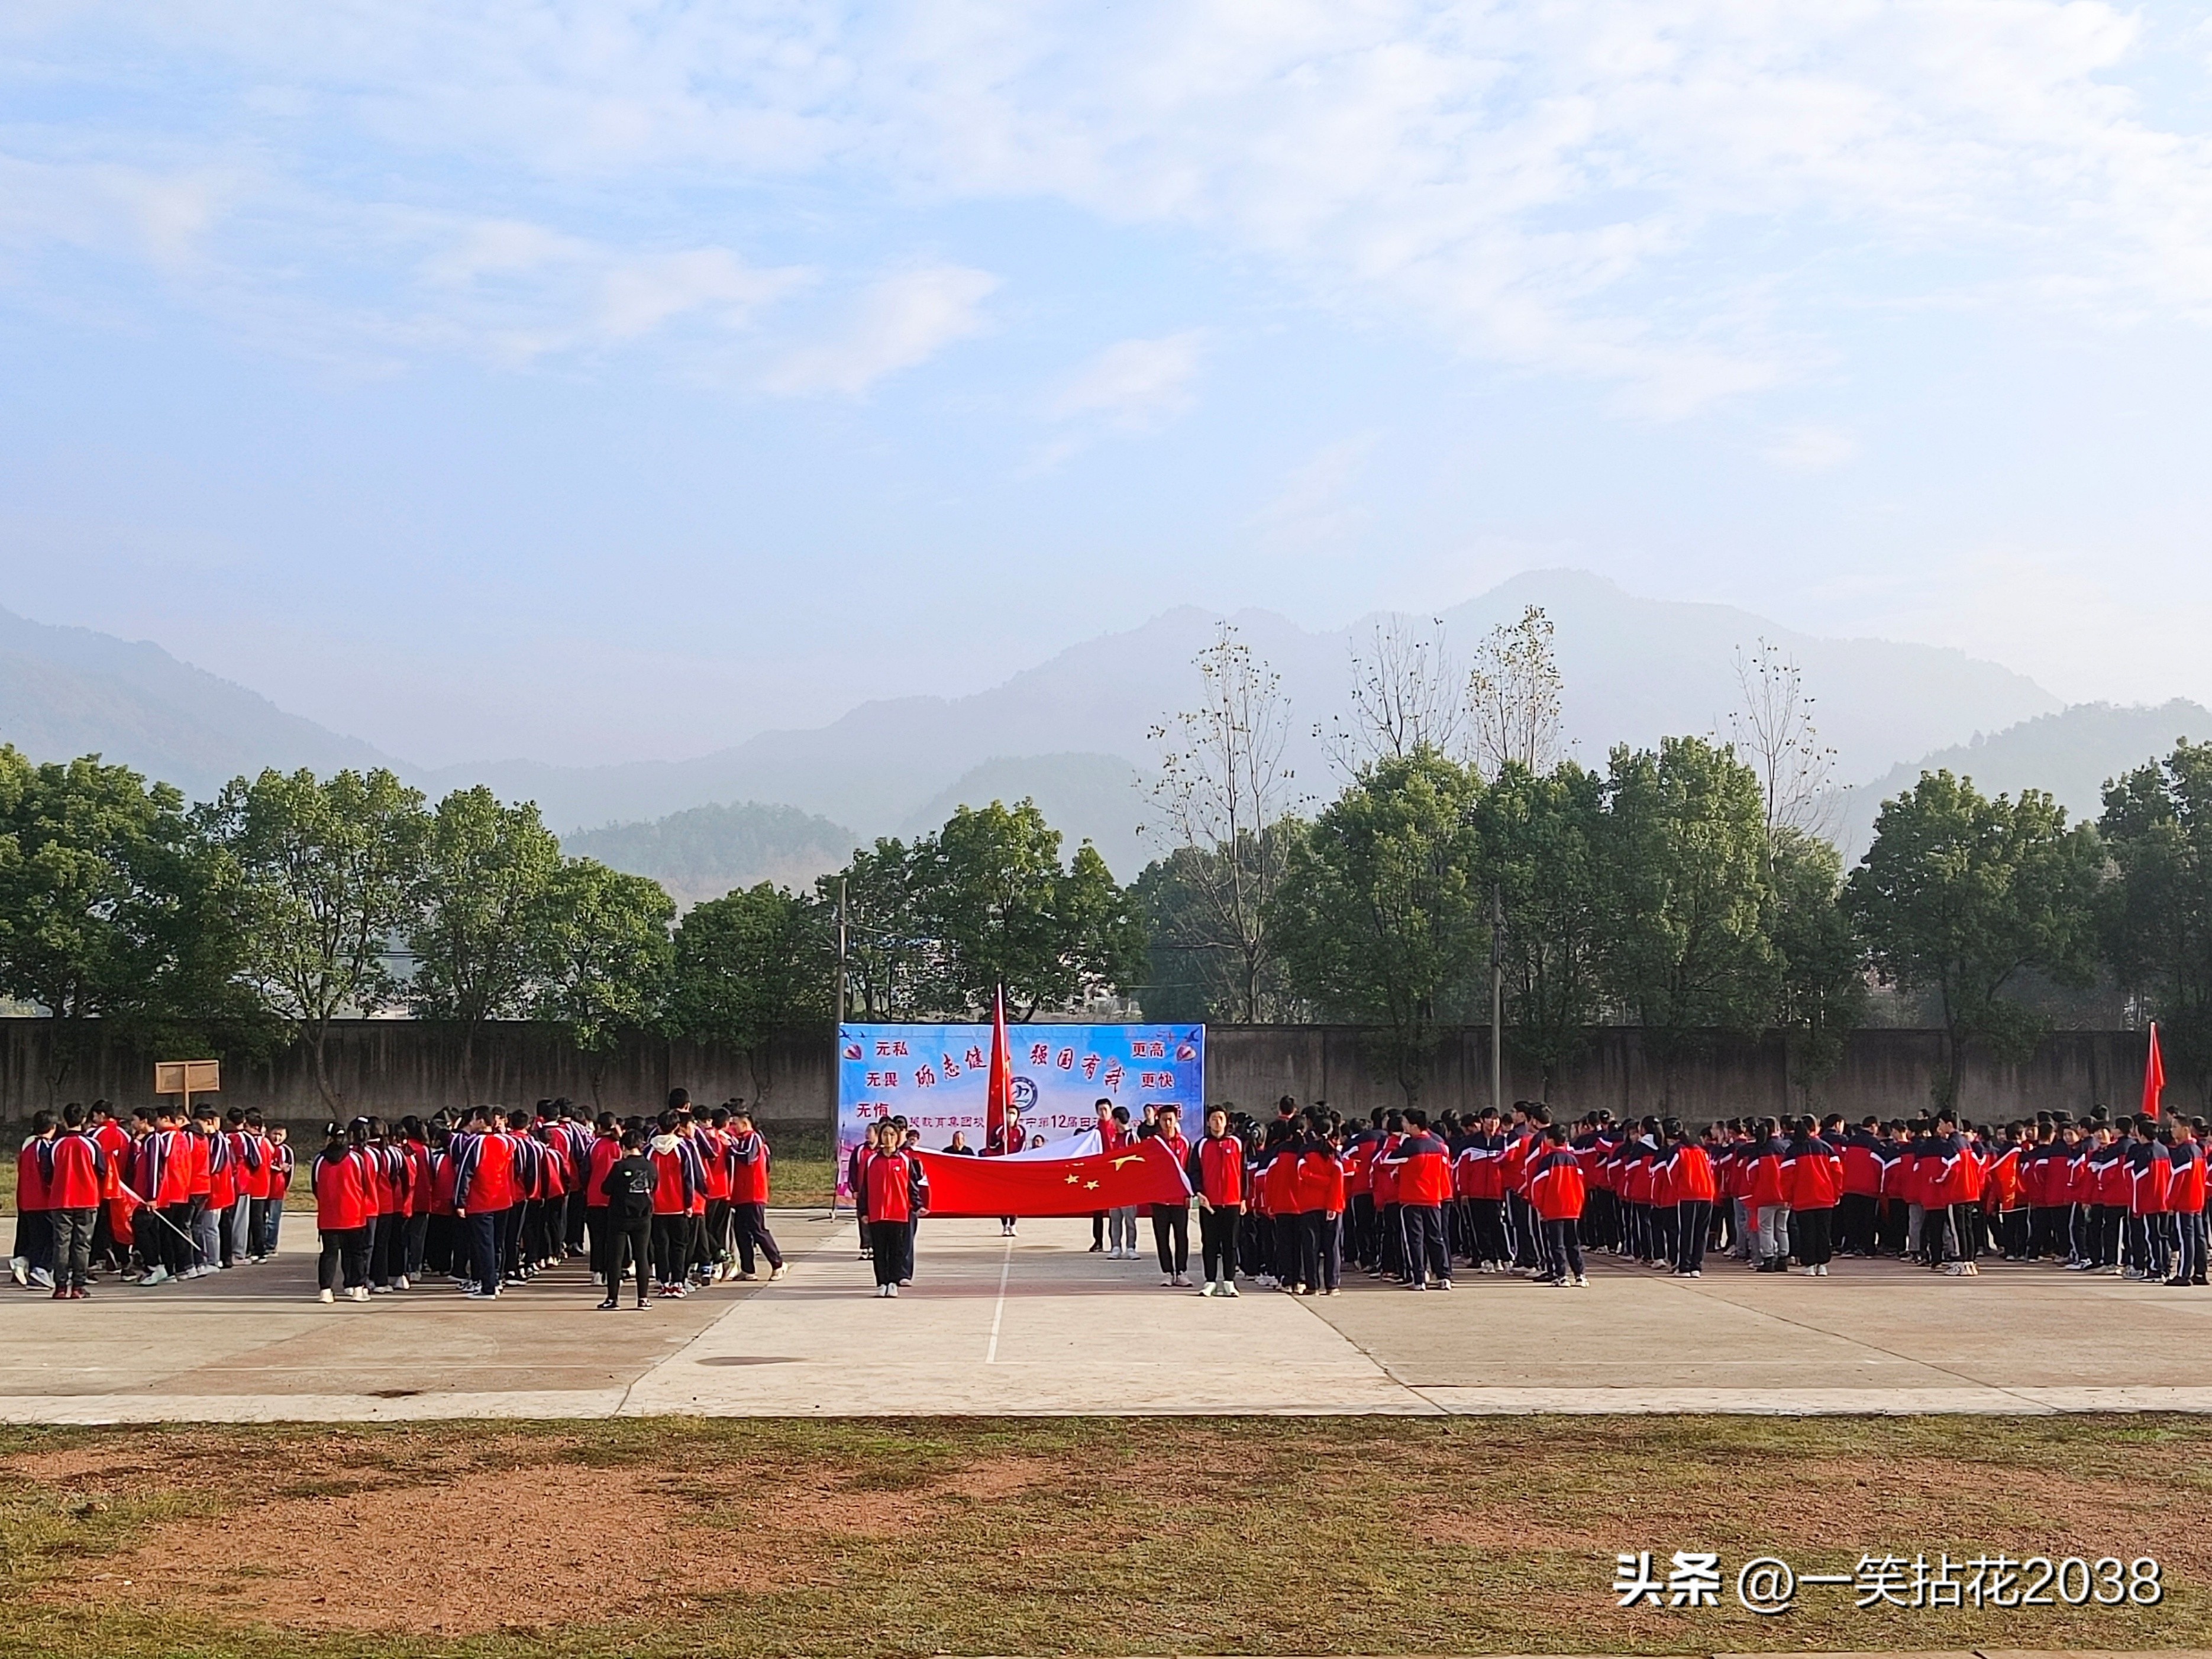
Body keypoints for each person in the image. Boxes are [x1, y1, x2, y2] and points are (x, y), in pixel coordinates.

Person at [41, 1104, 105, 1300]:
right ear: (84, 1119)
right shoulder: (92, 1144)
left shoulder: (55, 1145)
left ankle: (60, 1286)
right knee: (82, 1244)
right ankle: (79, 1285)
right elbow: (102, 1170)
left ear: (64, 1120)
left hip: (61, 1199)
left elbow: (47, 1173)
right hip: (87, 1199)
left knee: (61, 1243)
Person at [312, 1124, 373, 1304]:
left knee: (329, 1253)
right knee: (355, 1253)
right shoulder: (356, 1159)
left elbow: (316, 1187)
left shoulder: (319, 1160)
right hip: (353, 1213)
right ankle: (357, 1288)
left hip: (328, 1215)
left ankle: (326, 1290)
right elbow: (365, 1184)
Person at [1188, 1107, 1245, 1297]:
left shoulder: (1237, 1143)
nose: (1217, 1122)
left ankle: (1229, 1281)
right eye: (1214, 1119)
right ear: (1208, 1122)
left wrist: (1244, 1198)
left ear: (1226, 1121)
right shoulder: (1201, 1145)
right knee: (1210, 1243)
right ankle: (1210, 1281)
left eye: (1221, 1118)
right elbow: (1194, 1172)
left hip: (1232, 1202)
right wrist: (1199, 1193)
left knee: (1231, 1244)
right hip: (1209, 1203)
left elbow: (1244, 1173)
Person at [599, 1129, 657, 1310]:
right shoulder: (651, 1166)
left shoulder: (620, 1166)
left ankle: (613, 1299)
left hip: (620, 1216)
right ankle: (643, 1298)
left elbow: (606, 1189)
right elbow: (655, 1185)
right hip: (643, 1216)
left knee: (615, 1258)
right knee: (642, 1257)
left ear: (623, 1146)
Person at [726, 1109, 786, 1282]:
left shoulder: (753, 1138)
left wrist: (731, 1150)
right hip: (741, 1194)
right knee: (741, 1231)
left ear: (744, 1124)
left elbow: (748, 1158)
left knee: (758, 1230)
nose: (733, 1127)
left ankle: (778, 1263)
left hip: (753, 1193)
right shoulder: (740, 1139)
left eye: (735, 1123)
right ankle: (748, 1269)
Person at [860, 1122, 918, 1296]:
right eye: (885, 1134)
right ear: (880, 1137)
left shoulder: (904, 1160)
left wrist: (918, 1205)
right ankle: (882, 1282)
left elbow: (912, 1186)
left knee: (896, 1250)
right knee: (879, 1250)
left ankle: (893, 1282)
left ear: (898, 1137)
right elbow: (865, 1188)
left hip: (898, 1213)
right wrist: (864, 1211)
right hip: (877, 1213)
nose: (889, 1138)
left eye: (892, 1135)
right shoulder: (871, 1160)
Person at [1528, 1124, 1588, 1287]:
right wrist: (1579, 1205)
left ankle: (1561, 1275)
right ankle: (1580, 1274)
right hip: (1573, 1207)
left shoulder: (1548, 1160)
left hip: (1554, 1208)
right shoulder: (1573, 1160)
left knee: (1557, 1244)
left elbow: (1538, 1185)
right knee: (1573, 1243)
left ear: (1551, 1140)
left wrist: (1538, 1206)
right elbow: (1580, 1185)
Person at [1148, 1106, 1193, 1287]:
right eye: (1164, 1120)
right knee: (1162, 1236)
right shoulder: (1154, 1144)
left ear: (1176, 1120)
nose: (1167, 1123)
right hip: (1159, 1199)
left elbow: (1190, 1171)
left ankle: (1182, 1271)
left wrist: (1190, 1195)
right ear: (1158, 1122)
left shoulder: (1184, 1144)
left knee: (1181, 1236)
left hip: (1179, 1199)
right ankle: (1167, 1272)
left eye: (1170, 1119)